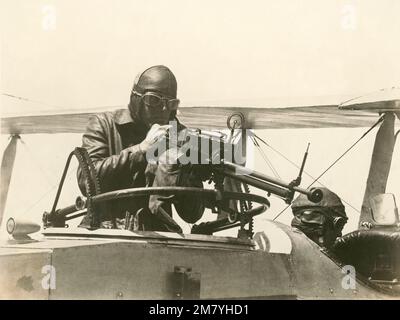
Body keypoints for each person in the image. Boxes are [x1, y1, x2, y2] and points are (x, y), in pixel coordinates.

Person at [77, 65, 205, 232]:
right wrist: (141, 150)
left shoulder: (178, 137)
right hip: (107, 234)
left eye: (171, 103)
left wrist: (182, 171)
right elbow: (86, 180)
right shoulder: (104, 124)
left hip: (158, 240)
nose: (164, 109)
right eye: (154, 100)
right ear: (135, 98)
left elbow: (192, 214)